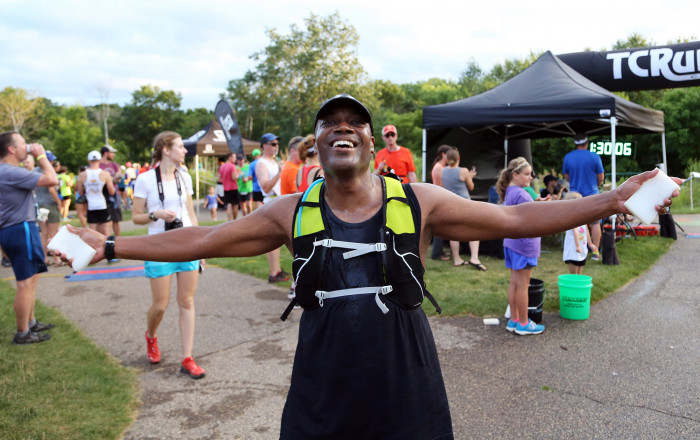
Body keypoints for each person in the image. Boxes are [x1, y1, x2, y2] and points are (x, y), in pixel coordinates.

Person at [57, 94, 681, 439]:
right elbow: (200, 240)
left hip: (406, 387)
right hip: (321, 392)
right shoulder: (287, 211)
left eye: (354, 123)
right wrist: (108, 247)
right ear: (317, 145)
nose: (344, 130)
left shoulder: (420, 202)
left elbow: (517, 222)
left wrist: (612, 200)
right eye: (331, 125)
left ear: (370, 142)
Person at [132, 131, 206, 379]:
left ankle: (187, 357)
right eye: (180, 147)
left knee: (186, 301)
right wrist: (156, 215)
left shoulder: (184, 176)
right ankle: (151, 336)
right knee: (160, 305)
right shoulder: (144, 179)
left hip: (186, 244)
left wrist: (200, 244)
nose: (185, 151)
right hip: (159, 246)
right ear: (166, 149)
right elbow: (136, 217)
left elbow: (190, 213)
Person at [0, 132, 58, 344]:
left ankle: (31, 322)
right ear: (11, 150)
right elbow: (51, 179)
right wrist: (42, 156)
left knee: (31, 278)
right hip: (20, 227)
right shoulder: (9, 171)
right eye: (23, 143)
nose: (28, 146)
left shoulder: (8, 171)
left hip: (15, 228)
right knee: (25, 283)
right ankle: (23, 333)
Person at [496, 157, 544, 335]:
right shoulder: (523, 194)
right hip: (524, 246)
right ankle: (524, 323)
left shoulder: (511, 191)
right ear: (515, 175)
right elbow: (533, 219)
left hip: (512, 243)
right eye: (526, 174)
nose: (530, 177)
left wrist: (537, 205)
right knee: (523, 285)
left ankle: (514, 320)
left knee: (515, 283)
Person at [441, 148, 486, 271]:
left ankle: (457, 259)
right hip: (464, 204)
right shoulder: (464, 171)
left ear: (446, 159)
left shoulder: (443, 171)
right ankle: (474, 258)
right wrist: (470, 176)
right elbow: (470, 187)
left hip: (450, 204)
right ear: (459, 158)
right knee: (474, 230)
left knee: (453, 233)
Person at [563, 133, 605, 260]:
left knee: (576, 223)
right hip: (592, 193)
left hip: (574, 195)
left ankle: (578, 247)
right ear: (587, 143)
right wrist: (596, 186)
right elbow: (601, 177)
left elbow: (566, 177)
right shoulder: (594, 156)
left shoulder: (568, 157)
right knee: (595, 223)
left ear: (575, 143)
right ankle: (595, 252)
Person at [255, 133, 289, 283]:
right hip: (271, 202)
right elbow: (266, 186)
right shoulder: (261, 163)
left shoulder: (274, 162)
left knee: (281, 238)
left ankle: (277, 270)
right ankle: (274, 272)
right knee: (274, 239)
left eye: (277, 143)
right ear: (264, 146)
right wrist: (280, 173)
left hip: (278, 202)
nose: (276, 146)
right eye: (272, 144)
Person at [28, 155, 62, 266]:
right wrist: (58, 202)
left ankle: (44, 259)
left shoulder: (34, 171)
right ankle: (57, 260)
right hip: (50, 204)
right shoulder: (49, 171)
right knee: (53, 234)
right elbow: (51, 189)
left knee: (44, 234)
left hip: (40, 204)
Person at [77, 151, 115, 236]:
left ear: (89, 160)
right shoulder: (105, 174)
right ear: (100, 160)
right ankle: (107, 249)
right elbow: (112, 192)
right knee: (106, 233)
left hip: (91, 206)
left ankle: (94, 249)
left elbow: (80, 193)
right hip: (102, 205)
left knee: (93, 233)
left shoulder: (82, 175)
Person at [562, 192, 597, 274]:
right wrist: (578, 246)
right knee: (574, 274)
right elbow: (575, 230)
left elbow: (586, 231)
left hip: (582, 248)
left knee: (580, 273)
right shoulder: (572, 217)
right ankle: (573, 286)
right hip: (574, 249)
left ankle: (579, 286)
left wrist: (590, 244)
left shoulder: (582, 217)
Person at [430, 144, 452, 261]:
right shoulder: (439, 168)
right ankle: (436, 254)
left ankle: (440, 251)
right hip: (439, 200)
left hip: (440, 199)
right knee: (440, 227)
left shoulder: (440, 167)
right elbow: (440, 186)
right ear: (444, 154)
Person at [99, 145, 123, 236]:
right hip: (102, 195)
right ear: (106, 153)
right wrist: (112, 180)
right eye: (111, 152)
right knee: (103, 220)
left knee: (116, 219)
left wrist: (108, 181)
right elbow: (100, 180)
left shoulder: (114, 165)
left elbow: (119, 177)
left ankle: (118, 239)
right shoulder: (98, 165)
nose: (113, 154)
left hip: (114, 194)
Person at [218, 153, 240, 221]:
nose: (235, 159)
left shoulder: (222, 166)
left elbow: (219, 178)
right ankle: (235, 220)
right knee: (235, 204)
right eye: (234, 157)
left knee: (229, 204)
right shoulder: (232, 166)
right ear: (229, 158)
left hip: (226, 188)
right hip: (233, 187)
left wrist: (225, 180)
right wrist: (238, 174)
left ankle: (229, 219)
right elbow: (234, 177)